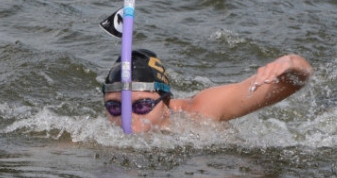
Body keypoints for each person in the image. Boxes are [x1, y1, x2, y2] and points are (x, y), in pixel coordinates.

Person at [102, 49, 313, 132]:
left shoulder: (201, 110)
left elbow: (295, 82)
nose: (126, 118)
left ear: (166, 104)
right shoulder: (95, 132)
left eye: (141, 106)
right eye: (114, 107)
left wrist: (290, 62)